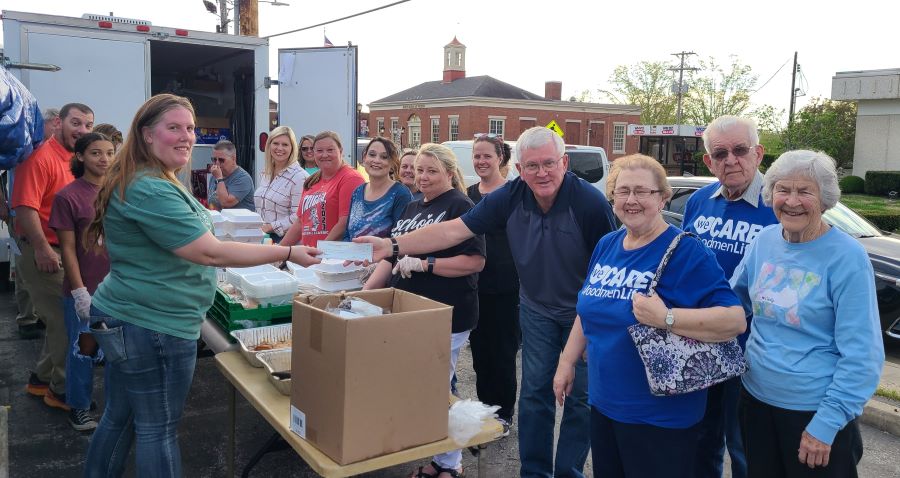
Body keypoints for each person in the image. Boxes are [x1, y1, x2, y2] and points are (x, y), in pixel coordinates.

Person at [355, 126, 616, 478]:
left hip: (583, 311)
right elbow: (454, 229)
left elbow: (608, 268)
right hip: (537, 308)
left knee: (580, 398)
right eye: (532, 166)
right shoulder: (510, 195)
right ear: (519, 169)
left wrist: (596, 321)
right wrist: (393, 246)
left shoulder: (590, 203)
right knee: (535, 393)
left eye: (549, 164)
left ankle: (569, 472)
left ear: (564, 163)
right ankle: (535, 473)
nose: (541, 173)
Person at [82, 94, 321, 477]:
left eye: (190, 128)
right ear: (146, 135)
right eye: (173, 127)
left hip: (131, 315)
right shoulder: (151, 187)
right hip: (153, 324)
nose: (186, 136)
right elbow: (209, 253)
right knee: (156, 429)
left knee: (121, 417)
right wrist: (287, 252)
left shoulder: (149, 178)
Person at [552, 154, 745, 478]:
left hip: (661, 415)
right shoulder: (607, 244)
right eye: (623, 191)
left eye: (642, 191)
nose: (631, 200)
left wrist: (666, 317)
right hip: (604, 404)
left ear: (663, 197)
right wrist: (566, 362)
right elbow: (589, 308)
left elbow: (734, 320)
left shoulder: (685, 251)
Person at [730, 150, 884, 478]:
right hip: (755, 402)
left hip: (813, 414)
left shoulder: (847, 258)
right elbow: (734, 299)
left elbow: (863, 356)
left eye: (805, 192)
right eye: (783, 190)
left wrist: (825, 426)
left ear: (825, 199)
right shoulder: (764, 241)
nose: (791, 201)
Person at [363, 143, 485, 478]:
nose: (423, 176)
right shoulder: (412, 206)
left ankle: (450, 462)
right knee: (421, 385)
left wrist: (426, 264)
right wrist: (361, 294)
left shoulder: (461, 204)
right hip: (410, 312)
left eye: (432, 170)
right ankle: (439, 456)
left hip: (447, 314)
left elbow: (474, 261)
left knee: (435, 387)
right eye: (419, 170)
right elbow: (390, 258)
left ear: (449, 172)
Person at [683, 116, 779, 478]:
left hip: (753, 346)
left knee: (746, 447)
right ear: (709, 161)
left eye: (740, 150)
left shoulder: (779, 205)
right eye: (720, 153)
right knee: (702, 438)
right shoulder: (698, 202)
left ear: (758, 153)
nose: (731, 160)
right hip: (701, 344)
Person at [12, 102, 94, 407]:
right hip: (45, 252)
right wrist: (44, 249)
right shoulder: (41, 157)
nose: (82, 131)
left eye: (87, 125)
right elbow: (24, 206)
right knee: (66, 323)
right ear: (58, 122)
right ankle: (61, 391)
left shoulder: (73, 160)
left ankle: (41, 379)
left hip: (64, 250)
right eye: (76, 123)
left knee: (61, 321)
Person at [48, 132, 114, 431]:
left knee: (115, 351)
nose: (104, 159)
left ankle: (112, 406)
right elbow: (68, 250)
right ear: (81, 157)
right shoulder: (68, 196)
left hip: (117, 288)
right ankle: (78, 406)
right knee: (83, 349)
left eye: (110, 153)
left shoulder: (118, 191)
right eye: (96, 153)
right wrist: (79, 292)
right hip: (85, 287)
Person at [465, 134, 519, 434]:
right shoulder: (468, 193)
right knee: (481, 354)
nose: (481, 161)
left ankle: (504, 413)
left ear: (501, 158)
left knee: (503, 353)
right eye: (477, 156)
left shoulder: (514, 193)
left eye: (487, 156)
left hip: (506, 286)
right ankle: (487, 409)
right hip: (474, 286)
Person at [281, 131, 365, 247]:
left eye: (330, 150)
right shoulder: (311, 181)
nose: (324, 155)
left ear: (340, 151)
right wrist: (281, 250)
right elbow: (300, 222)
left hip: (334, 258)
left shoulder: (351, 178)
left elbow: (345, 223)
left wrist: (320, 251)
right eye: (319, 151)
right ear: (314, 154)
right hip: (310, 257)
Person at [344, 136, 412, 240]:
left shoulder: (401, 194)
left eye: (384, 157)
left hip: (384, 256)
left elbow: (404, 240)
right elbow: (347, 235)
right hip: (352, 256)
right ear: (364, 158)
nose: (376, 160)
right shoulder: (357, 192)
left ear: (392, 163)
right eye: (372, 155)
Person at [254, 126, 309, 242]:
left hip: (287, 241)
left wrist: (269, 227)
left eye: (285, 145)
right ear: (269, 145)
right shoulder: (265, 172)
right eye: (275, 143)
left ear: (292, 148)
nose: (279, 148)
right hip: (264, 237)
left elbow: (299, 217)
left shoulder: (300, 177)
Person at [207, 139, 255, 211]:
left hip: (239, 221)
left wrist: (219, 179)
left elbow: (226, 203)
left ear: (233, 159)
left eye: (221, 160)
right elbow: (211, 202)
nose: (217, 163)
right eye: (214, 159)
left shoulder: (243, 178)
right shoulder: (215, 175)